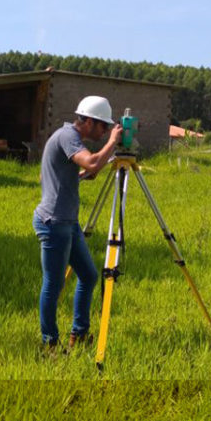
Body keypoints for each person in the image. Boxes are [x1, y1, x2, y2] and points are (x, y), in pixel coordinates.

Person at [33, 96, 123, 353]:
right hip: (53, 222)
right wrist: (112, 143)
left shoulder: (68, 138)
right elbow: (93, 161)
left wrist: (80, 174)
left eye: (108, 128)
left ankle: (79, 334)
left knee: (89, 275)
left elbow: (50, 173)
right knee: (53, 283)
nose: (105, 131)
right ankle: (49, 343)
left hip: (67, 221)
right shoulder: (68, 136)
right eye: (103, 126)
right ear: (90, 121)